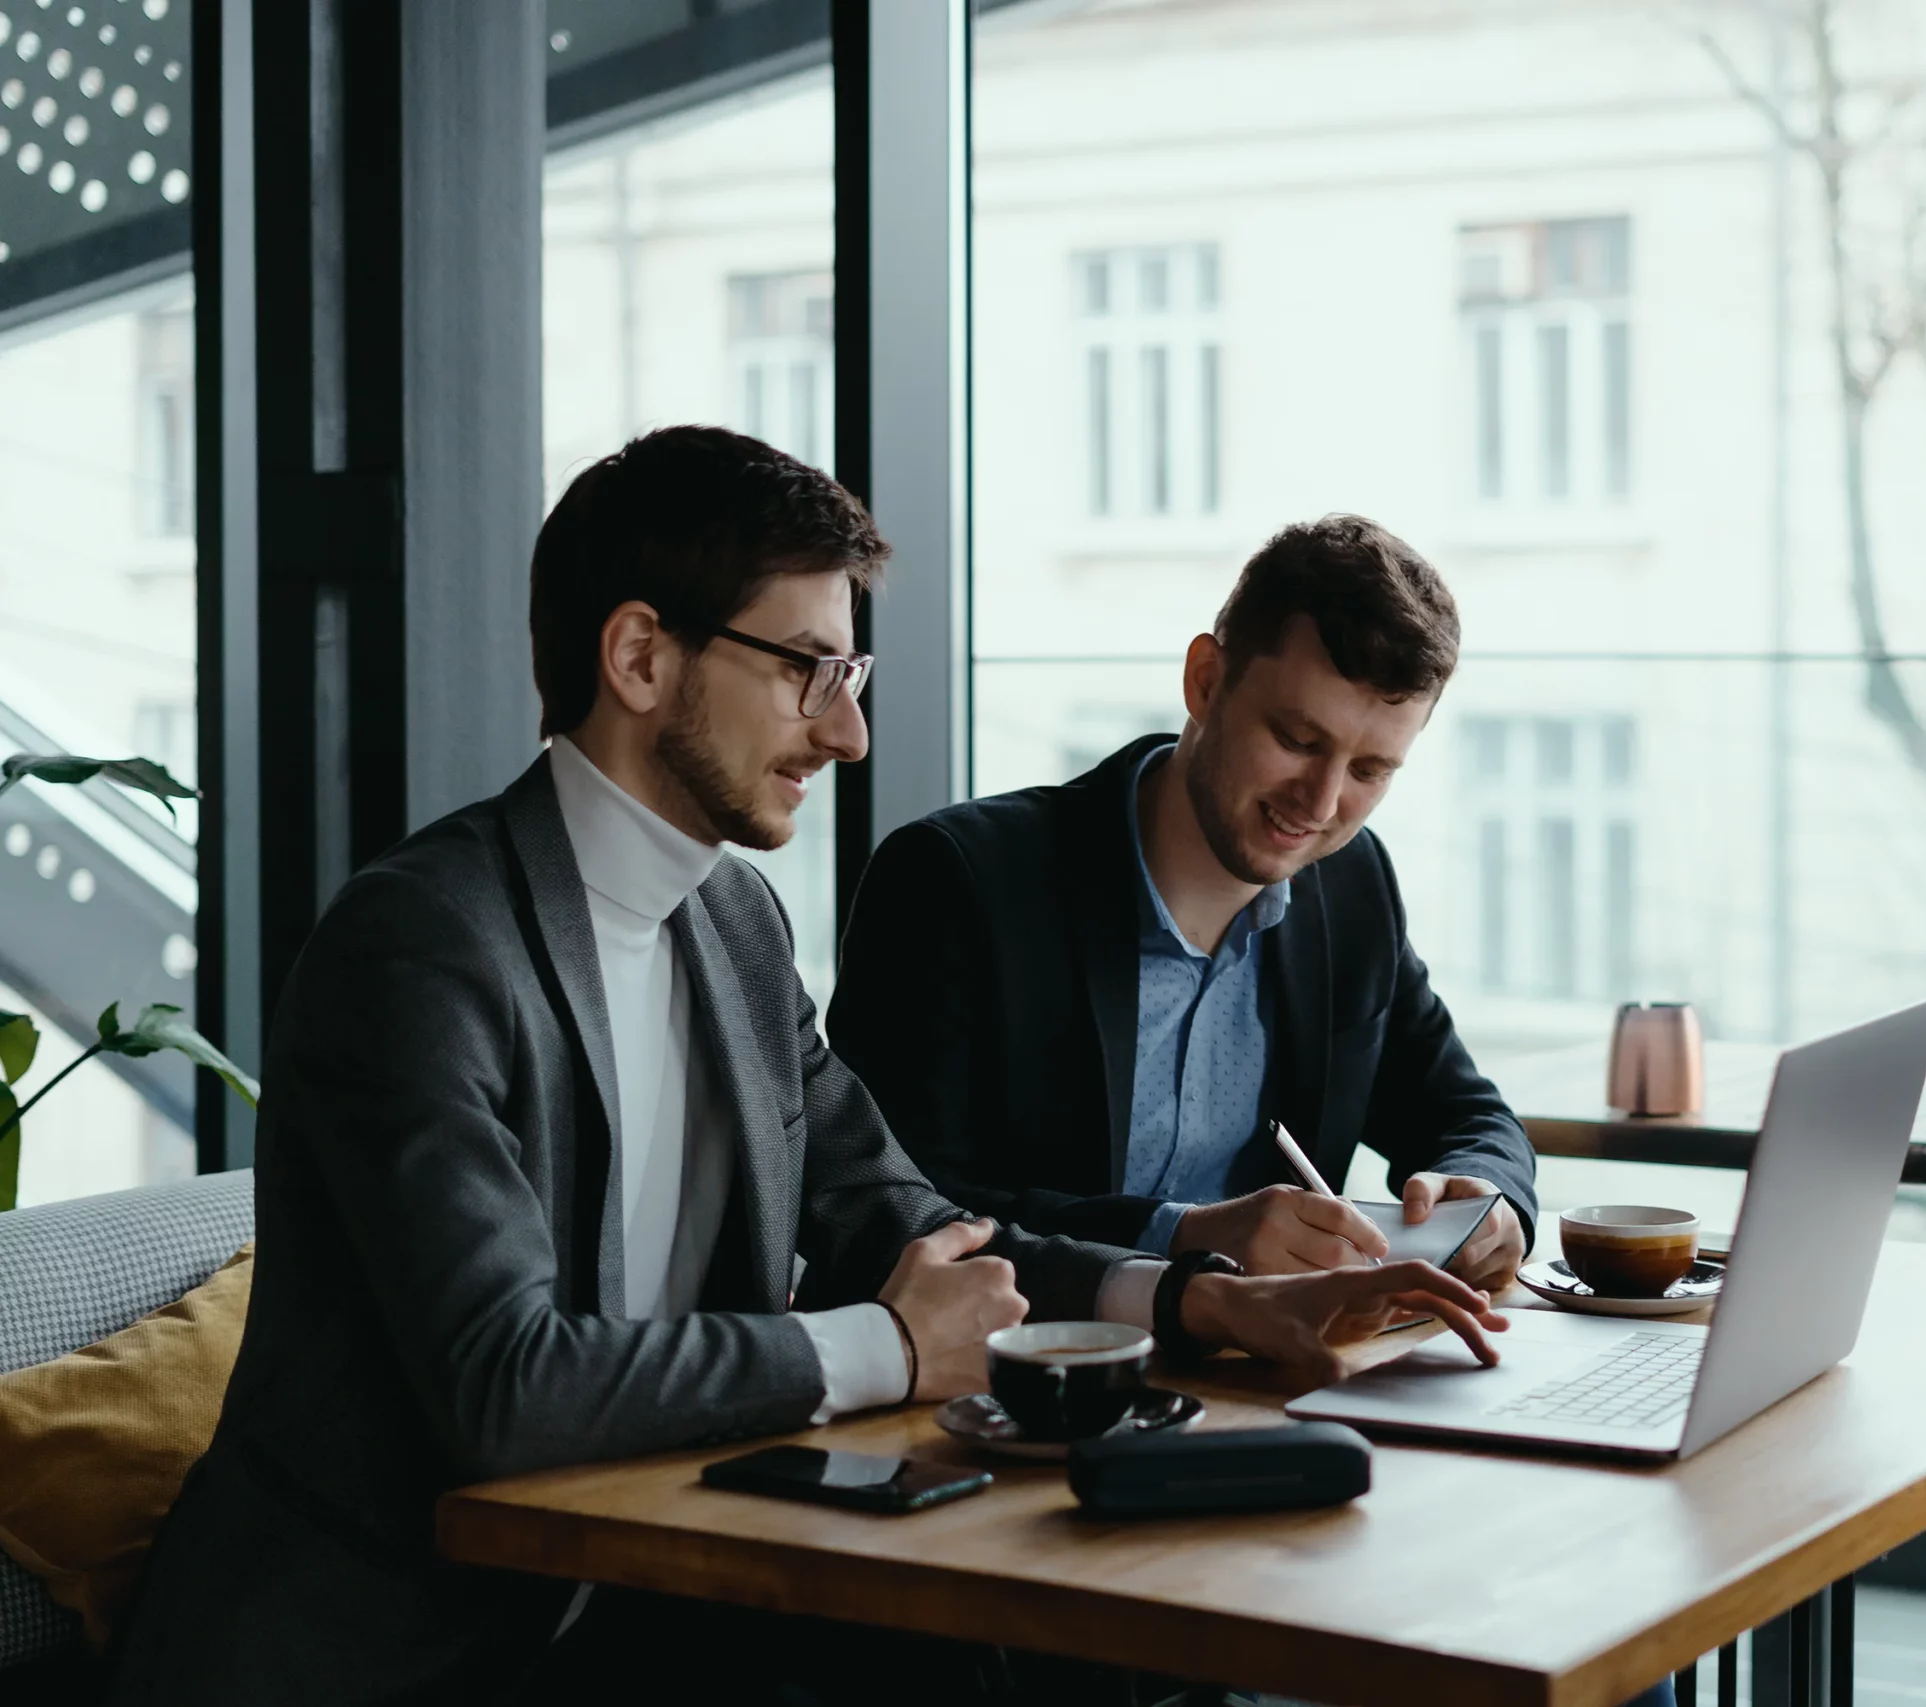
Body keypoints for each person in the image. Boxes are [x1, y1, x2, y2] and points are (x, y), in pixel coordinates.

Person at [107, 429, 1502, 1707]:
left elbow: (907, 1223)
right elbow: (507, 1389)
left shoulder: (731, 920)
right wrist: (892, 1342)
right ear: (642, 657)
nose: (849, 731)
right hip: (397, 1650)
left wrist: (1199, 1304)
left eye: (856, 675)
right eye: (806, 669)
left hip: (662, 1596)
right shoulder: (420, 943)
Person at [830, 515, 1536, 1297]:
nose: (1324, 801)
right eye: (1299, 739)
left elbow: (1466, 1113)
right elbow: (888, 1211)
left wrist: (1489, 1197)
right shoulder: (953, 882)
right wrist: (1181, 1237)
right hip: (1019, 1382)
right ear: (1206, 680)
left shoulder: (1352, 883)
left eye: (1371, 768)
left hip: (1269, 1382)